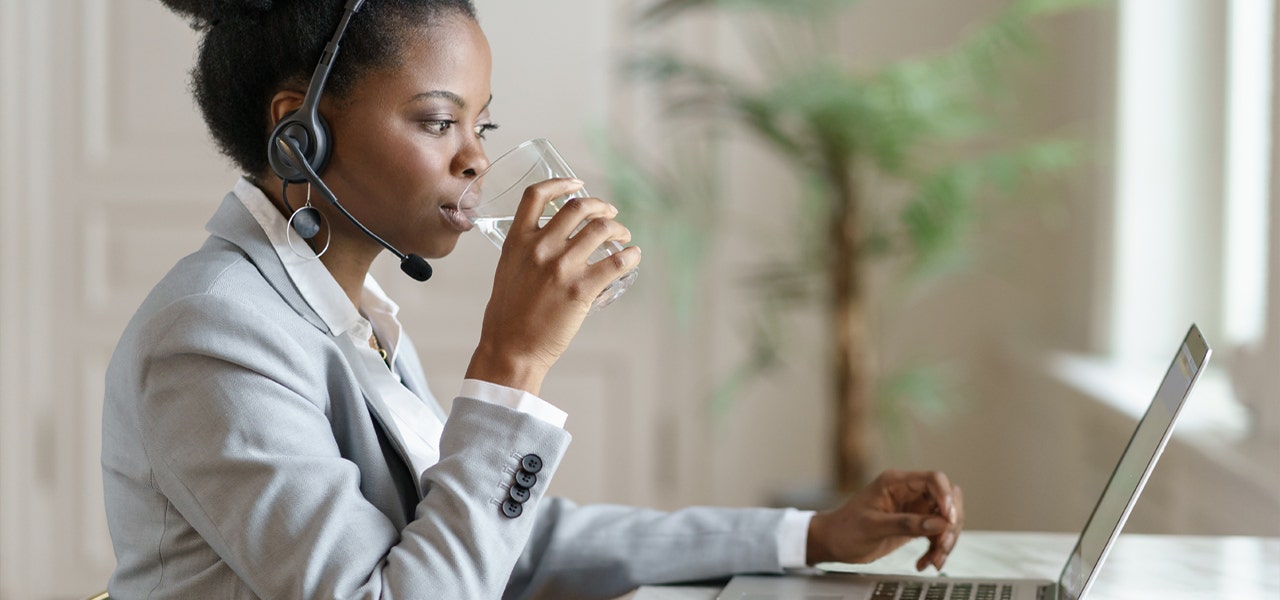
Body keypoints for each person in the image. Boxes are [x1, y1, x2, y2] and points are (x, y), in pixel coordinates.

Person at [100, 1, 965, 598]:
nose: (476, 160)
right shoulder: (213, 333)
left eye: (483, 126)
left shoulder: (345, 315)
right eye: (440, 122)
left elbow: (502, 546)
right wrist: (511, 365)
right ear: (300, 129)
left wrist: (810, 537)